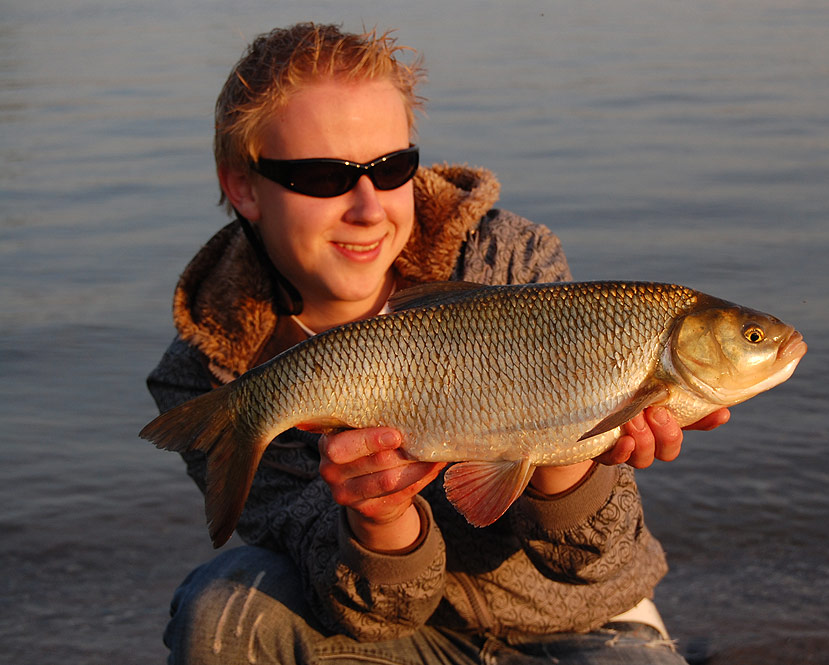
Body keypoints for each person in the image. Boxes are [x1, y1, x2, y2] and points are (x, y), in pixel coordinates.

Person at [146, 22, 729, 664]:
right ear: (243, 187)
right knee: (219, 608)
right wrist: (379, 515)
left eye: (391, 168)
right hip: (396, 641)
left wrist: (565, 448)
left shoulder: (508, 258)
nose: (368, 209)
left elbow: (595, 562)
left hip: (587, 629)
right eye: (322, 176)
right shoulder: (211, 371)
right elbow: (373, 615)